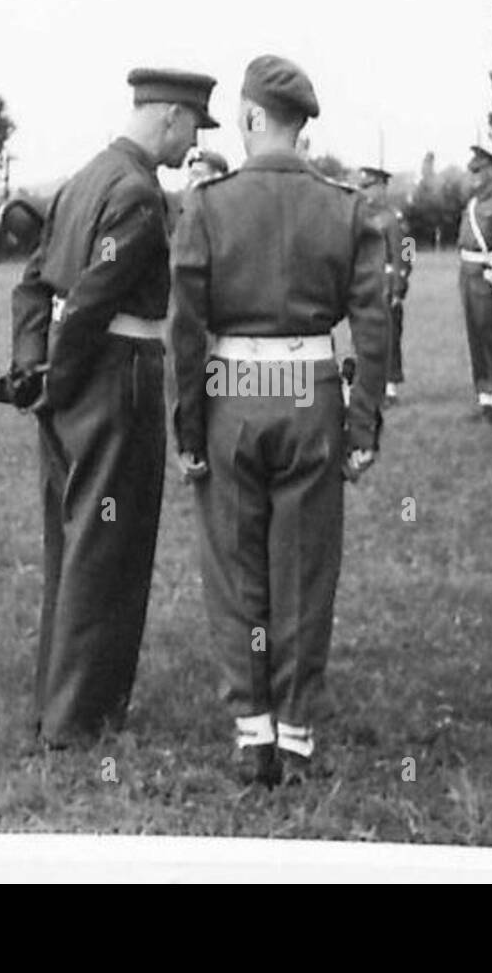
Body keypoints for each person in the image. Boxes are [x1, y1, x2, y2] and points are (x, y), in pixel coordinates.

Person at [170, 55, 388, 787]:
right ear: (299, 125)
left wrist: (188, 433)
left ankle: (251, 728)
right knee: (304, 571)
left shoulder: (207, 204)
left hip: (233, 396)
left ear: (254, 118)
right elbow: (375, 328)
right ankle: (295, 733)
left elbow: (185, 331)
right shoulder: (346, 204)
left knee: (236, 572)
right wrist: (363, 429)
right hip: (312, 399)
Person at [8, 66, 218, 747]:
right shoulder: (134, 192)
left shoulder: (82, 179)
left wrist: (32, 369)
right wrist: (59, 380)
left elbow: (33, 285)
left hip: (69, 379)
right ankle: (81, 721)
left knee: (71, 542)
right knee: (110, 549)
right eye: (192, 126)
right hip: (114, 378)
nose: (192, 143)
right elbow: (95, 300)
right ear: (168, 116)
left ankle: (57, 703)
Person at [457, 142, 492, 422]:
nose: (474, 175)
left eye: (479, 170)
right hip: (467, 273)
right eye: (472, 170)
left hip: (490, 274)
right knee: (475, 335)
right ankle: (484, 394)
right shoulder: (473, 203)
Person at [357, 166, 409, 405]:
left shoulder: (393, 218)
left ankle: (390, 387)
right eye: (362, 187)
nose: (365, 192)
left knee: (389, 336)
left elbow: (405, 252)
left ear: (382, 188)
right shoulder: (362, 216)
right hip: (366, 282)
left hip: (386, 282)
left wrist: (400, 285)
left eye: (369, 187)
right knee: (368, 336)